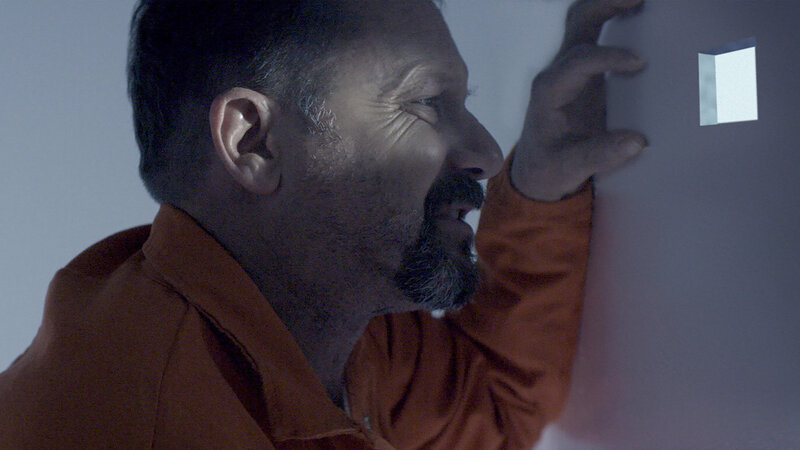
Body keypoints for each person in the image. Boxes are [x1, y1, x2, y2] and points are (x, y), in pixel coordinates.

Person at [0, 0, 646, 448]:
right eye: (426, 101)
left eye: (462, 103)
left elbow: (492, 405)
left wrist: (537, 189)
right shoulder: (146, 428)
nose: (485, 153)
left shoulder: (325, 323)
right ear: (254, 142)